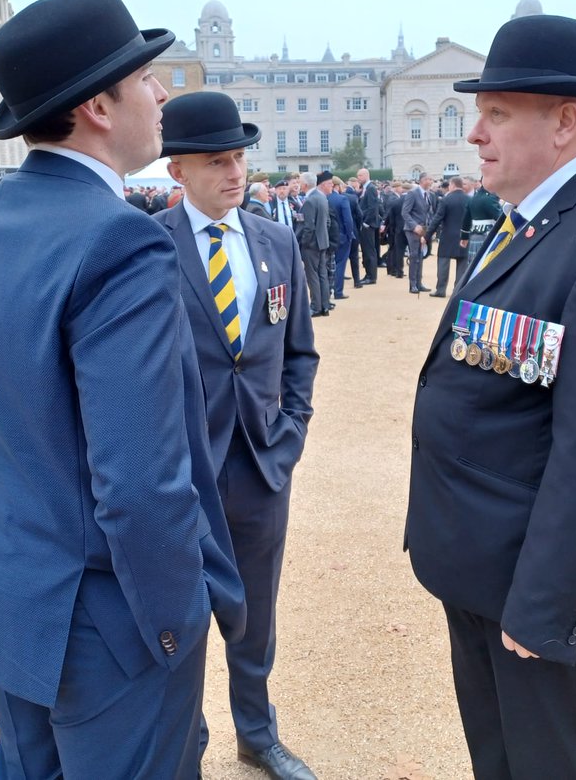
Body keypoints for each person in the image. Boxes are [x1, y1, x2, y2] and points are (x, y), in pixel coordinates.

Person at [0, 0, 244, 779]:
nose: (160, 95)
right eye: (145, 79)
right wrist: (177, 621)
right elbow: (141, 482)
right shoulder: (121, 239)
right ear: (98, 106)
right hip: (106, 617)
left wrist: (25, 453)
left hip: (1, 582)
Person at [406, 14, 576, 778]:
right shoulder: (532, 219)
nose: (475, 133)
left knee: (552, 765)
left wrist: (545, 606)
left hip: (531, 580)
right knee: (500, 759)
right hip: (482, 561)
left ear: (563, 122)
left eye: (496, 113)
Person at [156, 91, 319, 780]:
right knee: (182, 613)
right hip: (181, 471)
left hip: (260, 464)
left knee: (254, 614)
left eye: (239, 158)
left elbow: (299, 350)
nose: (235, 173)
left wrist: (291, 433)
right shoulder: (147, 244)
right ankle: (184, 742)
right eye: (216, 161)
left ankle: (256, 733)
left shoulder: (274, 241)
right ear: (177, 171)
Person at [424, 175, 469, 297]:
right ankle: (458, 291)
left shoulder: (446, 200)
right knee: (462, 264)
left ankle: (441, 289)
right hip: (464, 236)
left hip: (448, 235)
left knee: (443, 263)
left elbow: (437, 219)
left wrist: (427, 235)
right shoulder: (469, 199)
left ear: (452, 185)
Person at [298, 173, 331, 316]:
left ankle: (316, 306)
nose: (299, 185)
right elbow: (327, 222)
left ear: (305, 185)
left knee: (313, 276)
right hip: (322, 241)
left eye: (300, 182)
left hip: (312, 244)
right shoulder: (321, 197)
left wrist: (304, 243)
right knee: (322, 274)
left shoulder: (310, 200)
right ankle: (325, 305)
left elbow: (308, 227)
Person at [402, 173, 433, 293]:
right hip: (412, 229)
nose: (430, 182)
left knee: (421, 255)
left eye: (431, 179)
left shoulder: (428, 194)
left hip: (424, 229)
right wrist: (414, 226)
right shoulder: (412, 193)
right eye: (428, 179)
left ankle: (419, 283)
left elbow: (429, 212)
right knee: (414, 255)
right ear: (422, 181)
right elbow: (405, 212)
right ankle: (413, 284)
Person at [328, 178, 356, 300]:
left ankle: (327, 291)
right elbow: (348, 220)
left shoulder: (324, 198)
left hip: (327, 236)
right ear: (337, 186)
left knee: (326, 264)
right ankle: (338, 291)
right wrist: (350, 235)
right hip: (342, 236)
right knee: (340, 264)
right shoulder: (342, 199)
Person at [357, 168, 380, 284]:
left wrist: (366, 222)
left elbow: (372, 208)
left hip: (368, 224)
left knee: (369, 250)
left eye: (360, 176)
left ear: (366, 175)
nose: (358, 178)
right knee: (366, 250)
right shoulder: (365, 188)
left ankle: (371, 276)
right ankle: (369, 274)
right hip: (367, 223)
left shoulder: (370, 188)